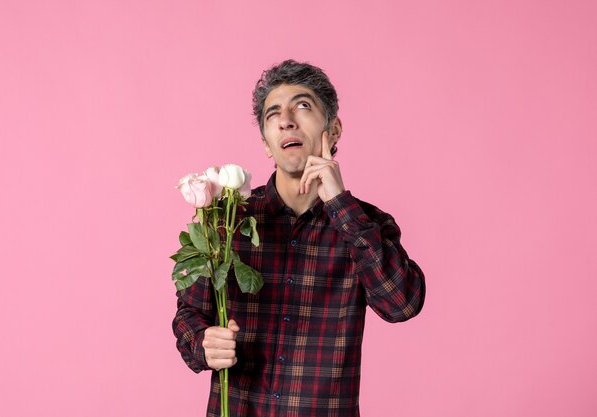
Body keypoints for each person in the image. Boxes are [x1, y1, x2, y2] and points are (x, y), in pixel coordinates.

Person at [173, 59, 426, 416]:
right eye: (273, 113)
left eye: (303, 106)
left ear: (333, 129)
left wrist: (341, 206)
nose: (286, 119)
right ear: (266, 143)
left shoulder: (368, 224)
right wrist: (203, 343)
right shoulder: (226, 222)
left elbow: (401, 304)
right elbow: (188, 316)